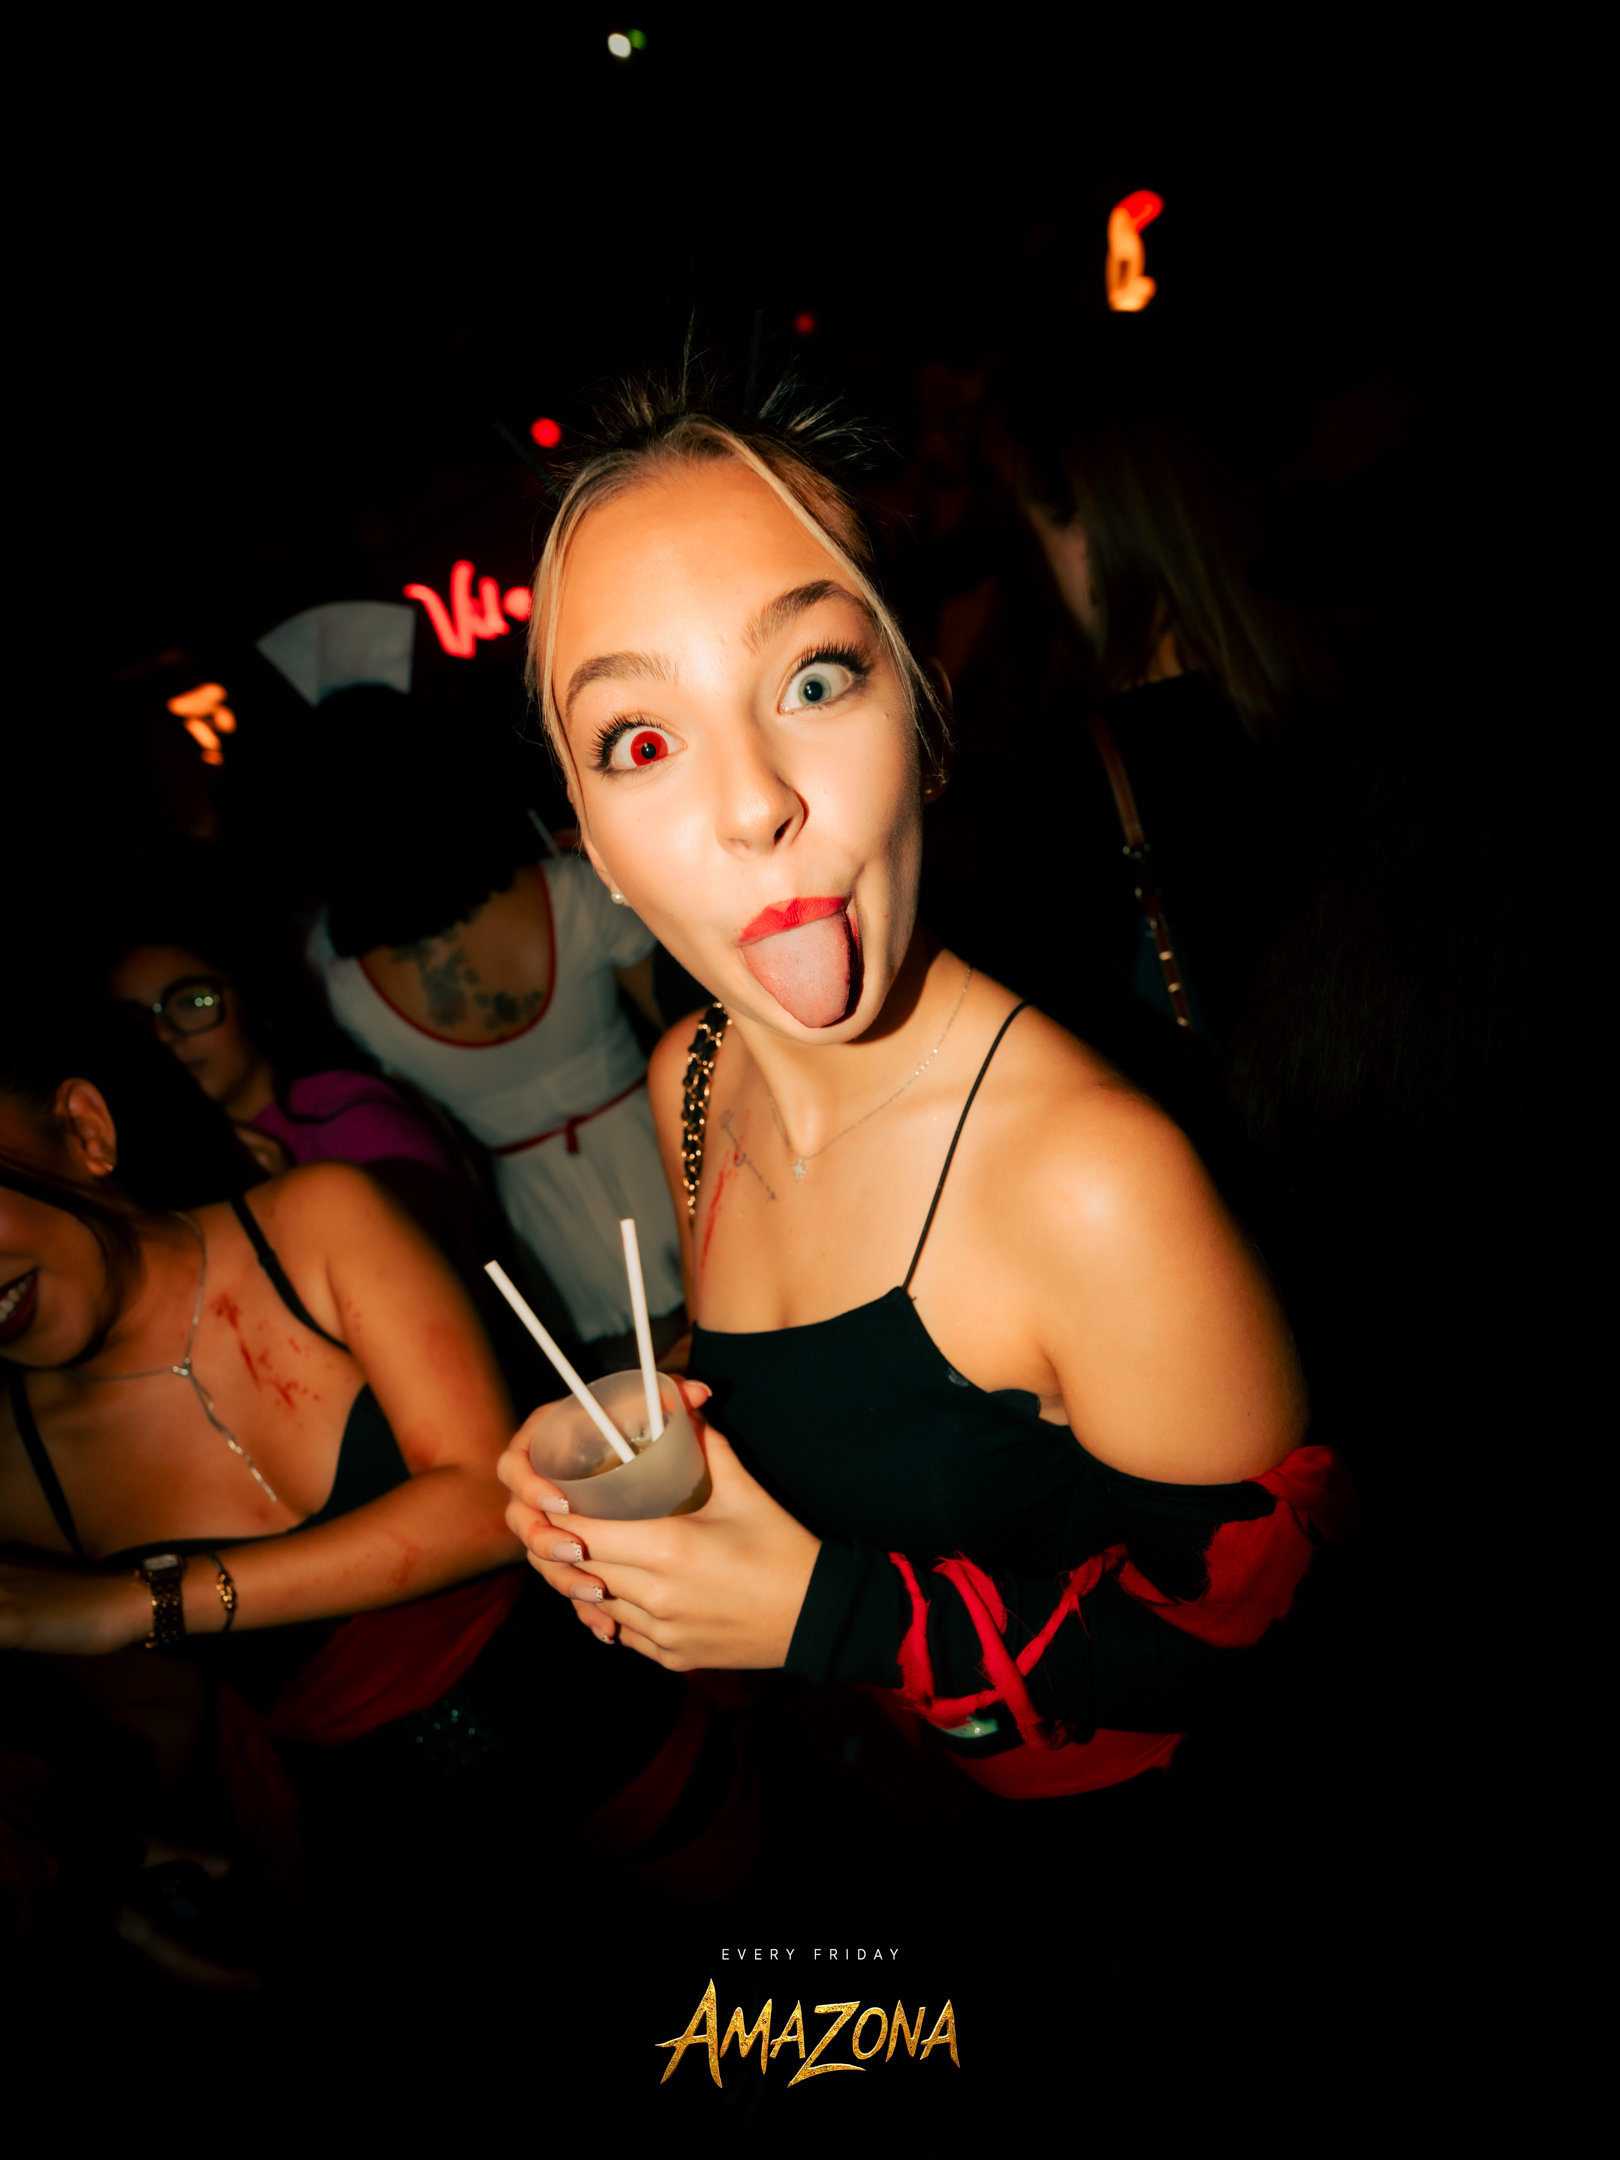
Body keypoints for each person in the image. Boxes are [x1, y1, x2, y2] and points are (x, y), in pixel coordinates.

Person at [495, 379, 1354, 1823]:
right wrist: (636, 1454)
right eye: (640, 739)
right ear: (593, 844)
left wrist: (830, 1615)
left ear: (927, 715)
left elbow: (1282, 1653)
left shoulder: (1093, 1180)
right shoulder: (692, 1078)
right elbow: (818, 1402)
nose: (753, 803)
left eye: (813, 680)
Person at [0, 1014, 755, 1977]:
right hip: (389, 1857)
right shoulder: (16, 1476)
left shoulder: (315, 1222)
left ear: (84, 1128)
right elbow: (150, 1721)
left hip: (602, 1715)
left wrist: (138, 1602)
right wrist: (91, 1860)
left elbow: (482, 1505)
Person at [307, 729, 684, 1372]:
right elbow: (684, 1025)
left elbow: (435, 1132)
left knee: (629, 1386)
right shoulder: (569, 890)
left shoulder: (347, 985)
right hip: (658, 1145)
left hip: (536, 1210)